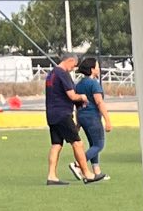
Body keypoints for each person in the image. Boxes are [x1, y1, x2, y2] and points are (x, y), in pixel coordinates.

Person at [43, 51, 97, 186]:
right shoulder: (62, 73)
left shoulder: (51, 74)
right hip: (63, 114)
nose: (73, 68)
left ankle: (51, 176)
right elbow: (72, 95)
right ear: (70, 60)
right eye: (74, 65)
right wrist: (82, 97)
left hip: (51, 114)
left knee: (56, 145)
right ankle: (87, 174)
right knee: (77, 143)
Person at [74, 56, 111, 181]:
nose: (99, 69)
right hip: (92, 117)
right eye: (97, 67)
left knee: (93, 144)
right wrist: (107, 120)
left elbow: (77, 105)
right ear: (92, 69)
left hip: (82, 116)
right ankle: (78, 164)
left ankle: (97, 171)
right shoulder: (93, 83)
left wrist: (78, 123)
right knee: (99, 144)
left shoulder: (79, 84)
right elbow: (99, 102)